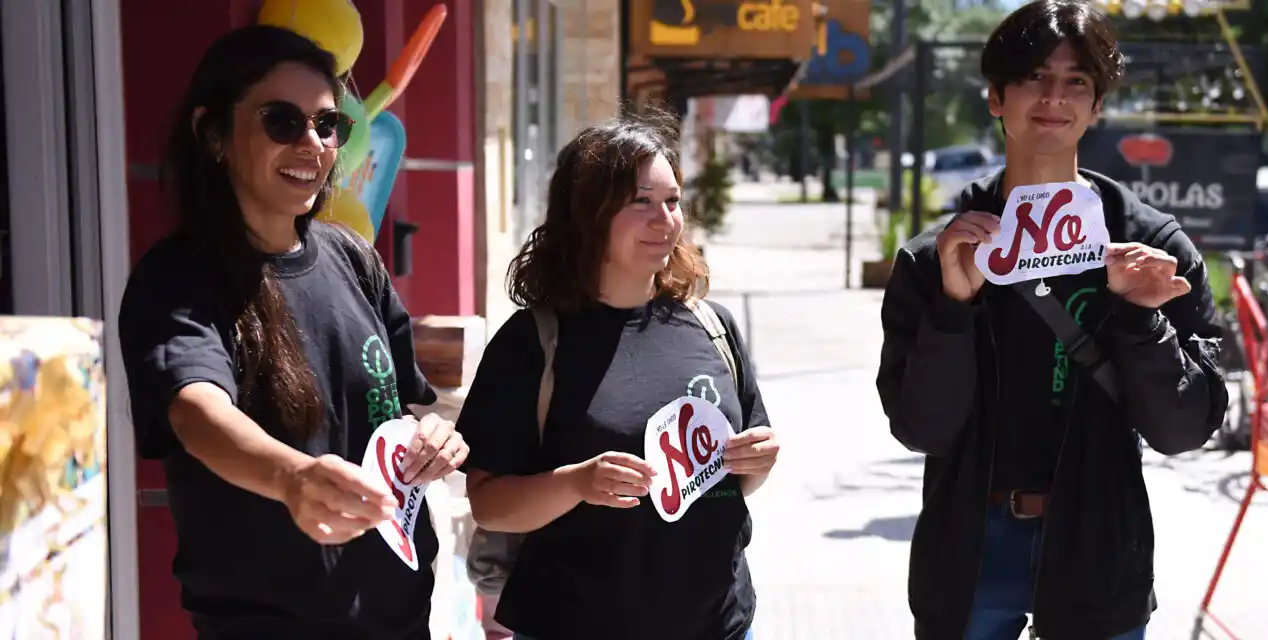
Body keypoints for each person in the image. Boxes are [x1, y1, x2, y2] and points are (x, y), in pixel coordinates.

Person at [876, 2, 1228, 639]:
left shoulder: (1152, 248)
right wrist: (954, 309)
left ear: (1096, 108)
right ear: (995, 97)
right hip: (970, 552)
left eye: (1077, 83)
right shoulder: (939, 255)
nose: (1053, 99)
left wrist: (1143, 320)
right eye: (1035, 77)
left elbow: (1182, 429)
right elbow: (921, 427)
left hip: (1099, 544)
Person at [118, 25, 467, 639]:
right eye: (282, 121)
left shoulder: (355, 258)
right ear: (214, 134)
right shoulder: (178, 277)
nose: (312, 143)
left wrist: (432, 437)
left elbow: (399, 415)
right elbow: (196, 413)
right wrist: (293, 478)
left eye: (328, 125)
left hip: (405, 621)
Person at [456, 115, 779, 640]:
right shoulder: (532, 342)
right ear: (588, 215)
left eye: (673, 201)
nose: (665, 220)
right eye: (641, 202)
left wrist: (758, 460)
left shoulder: (711, 325)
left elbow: (737, 481)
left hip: (721, 623)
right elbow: (489, 505)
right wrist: (578, 483)